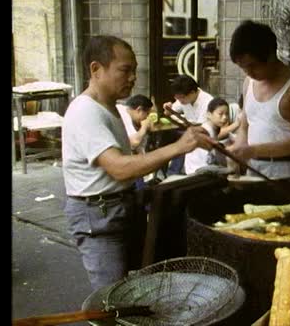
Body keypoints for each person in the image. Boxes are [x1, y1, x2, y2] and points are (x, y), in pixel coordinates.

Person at [61, 35, 212, 291]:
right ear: (96, 69)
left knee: (135, 290)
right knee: (112, 300)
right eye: (125, 70)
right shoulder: (85, 111)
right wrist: (179, 146)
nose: (133, 78)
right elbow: (119, 167)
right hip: (99, 218)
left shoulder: (109, 107)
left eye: (134, 70)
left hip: (121, 207)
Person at [227, 20, 290, 179]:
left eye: (252, 66)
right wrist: (238, 149)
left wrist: (253, 150)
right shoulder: (249, 82)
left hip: (287, 173)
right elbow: (245, 126)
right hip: (254, 170)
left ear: (270, 54)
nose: (248, 72)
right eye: (243, 67)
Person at [162, 75, 214, 175]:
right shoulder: (183, 98)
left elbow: (201, 127)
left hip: (204, 136)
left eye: (182, 98)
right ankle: (169, 174)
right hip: (189, 132)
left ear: (192, 92)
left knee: (182, 141)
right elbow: (173, 110)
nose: (180, 101)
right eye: (177, 98)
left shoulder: (208, 102)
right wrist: (168, 108)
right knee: (166, 137)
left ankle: (174, 172)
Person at [116, 94, 154, 189]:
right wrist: (144, 127)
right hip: (122, 162)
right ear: (139, 110)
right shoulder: (124, 115)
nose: (146, 118)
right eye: (146, 115)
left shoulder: (125, 111)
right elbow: (133, 143)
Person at [186, 97, 230, 174]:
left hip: (197, 168)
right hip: (197, 171)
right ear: (209, 115)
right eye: (220, 114)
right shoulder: (207, 131)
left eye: (227, 114)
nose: (225, 117)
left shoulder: (211, 128)